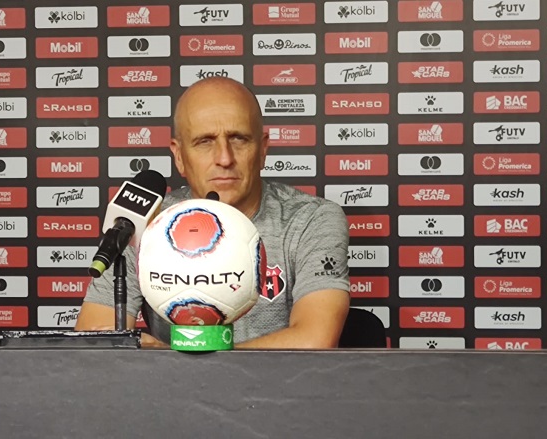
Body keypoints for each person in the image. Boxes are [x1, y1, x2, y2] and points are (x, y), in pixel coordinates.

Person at [75, 77, 350, 349]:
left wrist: (172, 358)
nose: (224, 158)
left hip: (275, 381)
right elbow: (96, 339)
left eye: (238, 139)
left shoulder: (311, 219)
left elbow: (315, 339)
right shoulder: (146, 222)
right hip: (173, 380)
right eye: (205, 142)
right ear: (179, 156)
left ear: (263, 149)